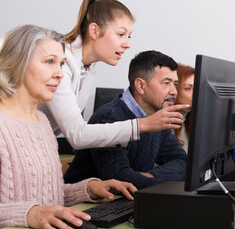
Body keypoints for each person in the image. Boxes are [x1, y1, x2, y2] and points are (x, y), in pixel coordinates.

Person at [0, 0, 188, 183]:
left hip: (8, 134)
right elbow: (77, 135)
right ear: (94, 30)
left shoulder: (87, 68)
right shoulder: (63, 62)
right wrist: (143, 125)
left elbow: (73, 128)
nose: (127, 44)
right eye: (121, 34)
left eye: (129, 36)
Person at [0, 24, 137, 229]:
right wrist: (30, 213)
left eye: (61, 64)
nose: (59, 74)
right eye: (50, 62)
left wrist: (90, 188)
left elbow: (49, 196)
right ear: (17, 64)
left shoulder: (41, 121)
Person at [64, 50, 188, 189]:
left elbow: (182, 162)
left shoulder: (158, 117)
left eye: (175, 84)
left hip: (127, 200)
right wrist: (149, 178)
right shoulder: (109, 117)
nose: (174, 91)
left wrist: (152, 175)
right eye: (166, 83)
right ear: (140, 86)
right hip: (85, 205)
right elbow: (119, 176)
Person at [173, 64, 195, 153]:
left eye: (196, 88)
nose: (195, 93)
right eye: (188, 88)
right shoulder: (166, 124)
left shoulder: (188, 119)